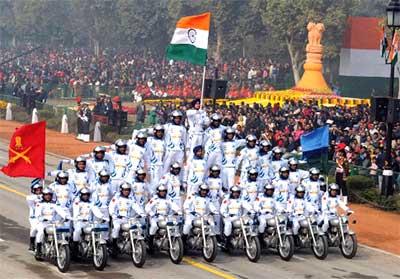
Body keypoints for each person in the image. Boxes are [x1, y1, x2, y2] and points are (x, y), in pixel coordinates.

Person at [108, 182, 145, 253]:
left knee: (138, 226)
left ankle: (134, 242)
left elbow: (136, 206)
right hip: (117, 219)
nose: (126, 191)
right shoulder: (116, 198)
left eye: (128, 190)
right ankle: (114, 245)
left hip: (128, 219)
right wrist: (113, 214)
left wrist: (141, 213)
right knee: (117, 227)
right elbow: (111, 207)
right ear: (121, 190)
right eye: (125, 190)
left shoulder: (131, 199)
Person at [35, 188, 69, 258]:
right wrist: (42, 218)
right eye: (46, 195)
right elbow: (37, 214)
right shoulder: (39, 204)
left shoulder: (54, 204)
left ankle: (59, 248)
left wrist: (65, 216)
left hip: (53, 223)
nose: (48, 196)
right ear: (43, 195)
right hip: (42, 222)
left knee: (61, 232)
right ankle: (38, 250)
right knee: (41, 232)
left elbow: (60, 211)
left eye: (49, 195)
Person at [71, 188, 106, 256]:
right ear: (81, 195)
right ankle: (75, 248)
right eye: (84, 195)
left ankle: (93, 246)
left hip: (89, 222)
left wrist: (101, 216)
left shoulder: (91, 203)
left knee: (96, 229)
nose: (85, 196)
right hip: (79, 222)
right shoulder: (77, 203)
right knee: (77, 231)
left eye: (87, 195)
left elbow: (96, 210)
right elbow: (76, 212)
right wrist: (78, 218)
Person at [163, 110, 187, 174]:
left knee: (179, 168)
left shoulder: (183, 129)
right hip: (170, 150)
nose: (177, 120)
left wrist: (185, 155)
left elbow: (185, 142)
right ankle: (163, 182)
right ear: (172, 118)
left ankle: (178, 182)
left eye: (179, 118)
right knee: (166, 167)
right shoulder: (167, 126)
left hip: (179, 151)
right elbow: (157, 130)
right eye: (176, 118)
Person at [205, 165, 225, 235]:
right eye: (214, 172)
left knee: (217, 218)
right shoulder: (207, 179)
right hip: (208, 201)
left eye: (217, 172)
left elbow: (219, 191)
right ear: (211, 172)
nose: (215, 173)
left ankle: (217, 234)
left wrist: (224, 196)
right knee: (206, 217)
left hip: (216, 201)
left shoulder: (220, 180)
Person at [147, 124, 166, 192]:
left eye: (161, 132)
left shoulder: (163, 142)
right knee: (153, 182)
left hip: (161, 165)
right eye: (158, 132)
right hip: (153, 165)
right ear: (155, 132)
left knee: (160, 182)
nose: (160, 133)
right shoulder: (150, 140)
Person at [26, 179, 43, 251]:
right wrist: (40, 197)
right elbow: (31, 200)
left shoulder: (44, 196)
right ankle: (32, 243)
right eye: (37, 190)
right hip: (34, 217)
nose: (38, 191)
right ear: (33, 190)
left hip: (43, 216)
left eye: (40, 190)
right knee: (34, 229)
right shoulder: (30, 197)